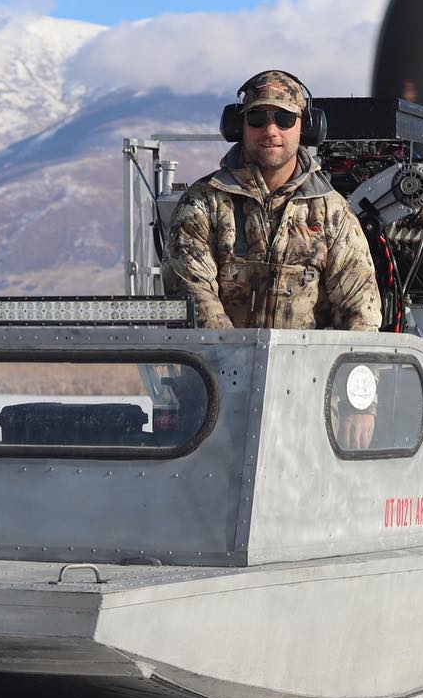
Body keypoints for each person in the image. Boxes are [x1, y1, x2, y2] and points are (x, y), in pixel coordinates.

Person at [162, 70, 381, 447]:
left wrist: (359, 402)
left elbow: (361, 311)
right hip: (215, 408)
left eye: (284, 118)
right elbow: (193, 297)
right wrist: (237, 380)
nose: (271, 130)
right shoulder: (203, 204)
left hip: (310, 409)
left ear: (305, 128)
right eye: (257, 118)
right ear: (239, 125)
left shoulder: (332, 214)